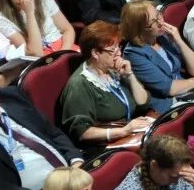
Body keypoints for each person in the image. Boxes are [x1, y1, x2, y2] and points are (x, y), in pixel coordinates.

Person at [59, 22, 154, 152]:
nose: (119, 54)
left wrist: (130, 76)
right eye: (112, 50)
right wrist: (124, 131)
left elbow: (143, 103)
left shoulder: (114, 70)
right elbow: (82, 132)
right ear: (96, 53)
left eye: (118, 47)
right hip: (104, 145)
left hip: (130, 130)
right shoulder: (80, 85)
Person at [120, 0, 194, 113]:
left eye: (158, 15)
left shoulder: (162, 36)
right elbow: (170, 89)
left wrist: (179, 41)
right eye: (153, 22)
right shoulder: (134, 54)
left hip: (188, 92)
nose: (160, 23)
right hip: (168, 106)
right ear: (138, 29)